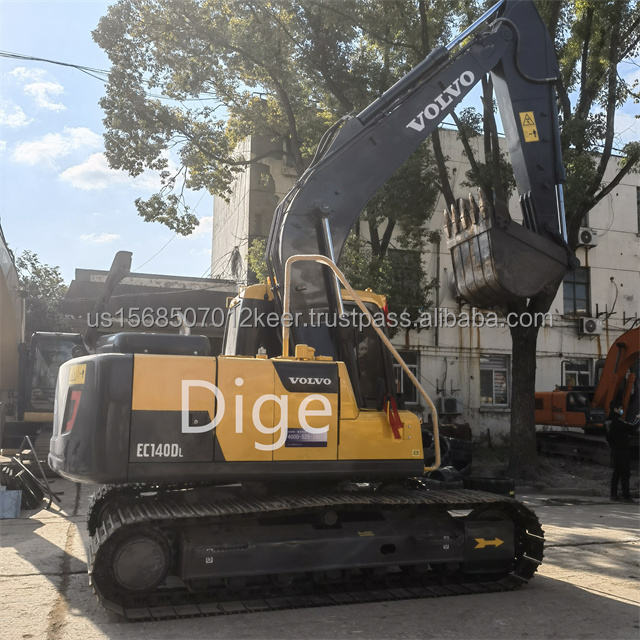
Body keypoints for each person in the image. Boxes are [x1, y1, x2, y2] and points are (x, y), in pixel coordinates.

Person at [606, 406, 634, 502]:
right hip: (622, 451)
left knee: (617, 473)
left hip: (615, 450)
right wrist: (638, 419)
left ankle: (613, 495)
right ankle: (626, 495)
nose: (622, 410)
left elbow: (609, 438)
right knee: (625, 473)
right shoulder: (619, 422)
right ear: (615, 409)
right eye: (620, 408)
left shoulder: (609, 422)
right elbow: (632, 428)